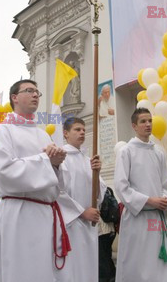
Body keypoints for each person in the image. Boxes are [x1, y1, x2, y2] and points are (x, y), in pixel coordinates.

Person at [0, 79, 81, 282]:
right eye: (29, 91)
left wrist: (56, 165)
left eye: (37, 92)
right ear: (14, 98)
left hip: (47, 213)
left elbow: (61, 183)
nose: (35, 95)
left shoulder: (43, 135)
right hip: (20, 213)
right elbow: (4, 172)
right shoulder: (3, 131)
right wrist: (46, 161)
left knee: (47, 273)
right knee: (23, 272)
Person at [113, 107, 167, 282]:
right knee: (137, 264)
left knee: (159, 263)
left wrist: (164, 200)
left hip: (157, 219)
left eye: (150, 121)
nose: (148, 124)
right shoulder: (127, 151)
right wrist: (149, 201)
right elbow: (121, 186)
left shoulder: (158, 153)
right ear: (134, 125)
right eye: (143, 121)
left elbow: (166, 185)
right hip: (137, 219)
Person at [57, 117, 107, 282]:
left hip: (89, 225)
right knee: (74, 269)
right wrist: (81, 212)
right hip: (71, 224)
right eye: (77, 129)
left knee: (89, 268)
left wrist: (97, 172)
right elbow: (58, 192)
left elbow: (99, 192)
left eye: (84, 130)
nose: (82, 132)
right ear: (66, 133)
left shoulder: (88, 161)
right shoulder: (61, 159)